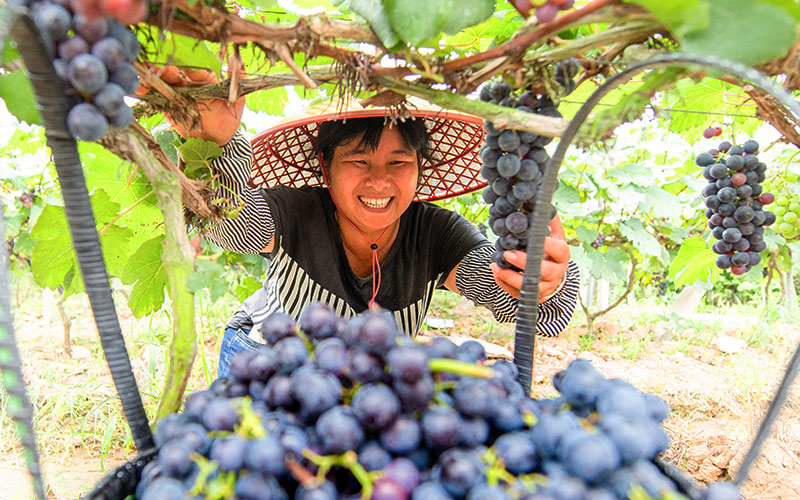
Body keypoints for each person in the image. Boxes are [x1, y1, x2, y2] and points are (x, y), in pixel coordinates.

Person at [158, 69, 579, 378]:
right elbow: (231, 226)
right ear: (325, 166)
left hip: (361, 377)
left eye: (399, 162)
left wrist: (541, 279)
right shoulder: (297, 211)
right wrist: (215, 144)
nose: (379, 180)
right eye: (358, 160)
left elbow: (514, 297)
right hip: (265, 353)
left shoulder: (437, 233)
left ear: (419, 168)